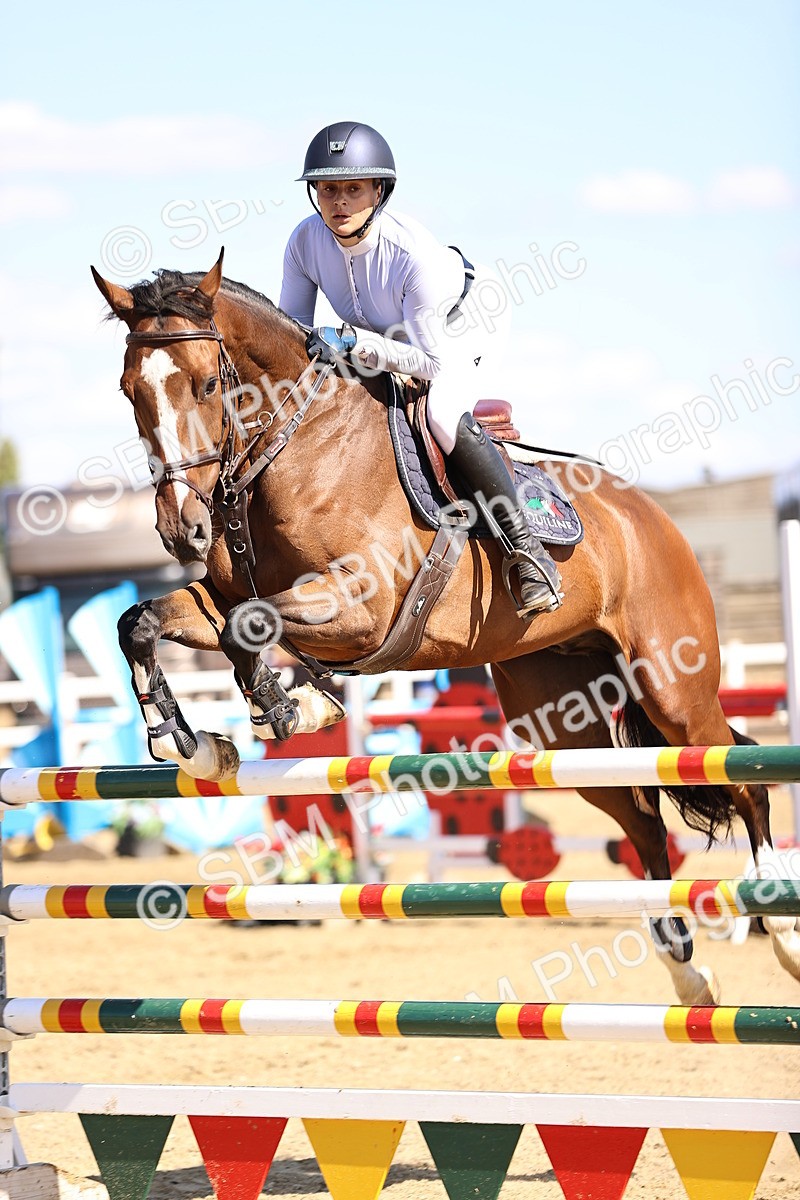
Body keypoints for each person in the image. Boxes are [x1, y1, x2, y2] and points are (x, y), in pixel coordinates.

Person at [279, 121, 561, 617]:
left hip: (464, 323)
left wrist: (352, 343)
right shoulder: (304, 243)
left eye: (352, 189)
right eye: (327, 189)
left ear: (379, 191)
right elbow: (293, 336)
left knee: (441, 412)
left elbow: (431, 363)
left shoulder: (411, 255)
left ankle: (528, 552)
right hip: (391, 336)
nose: (338, 202)